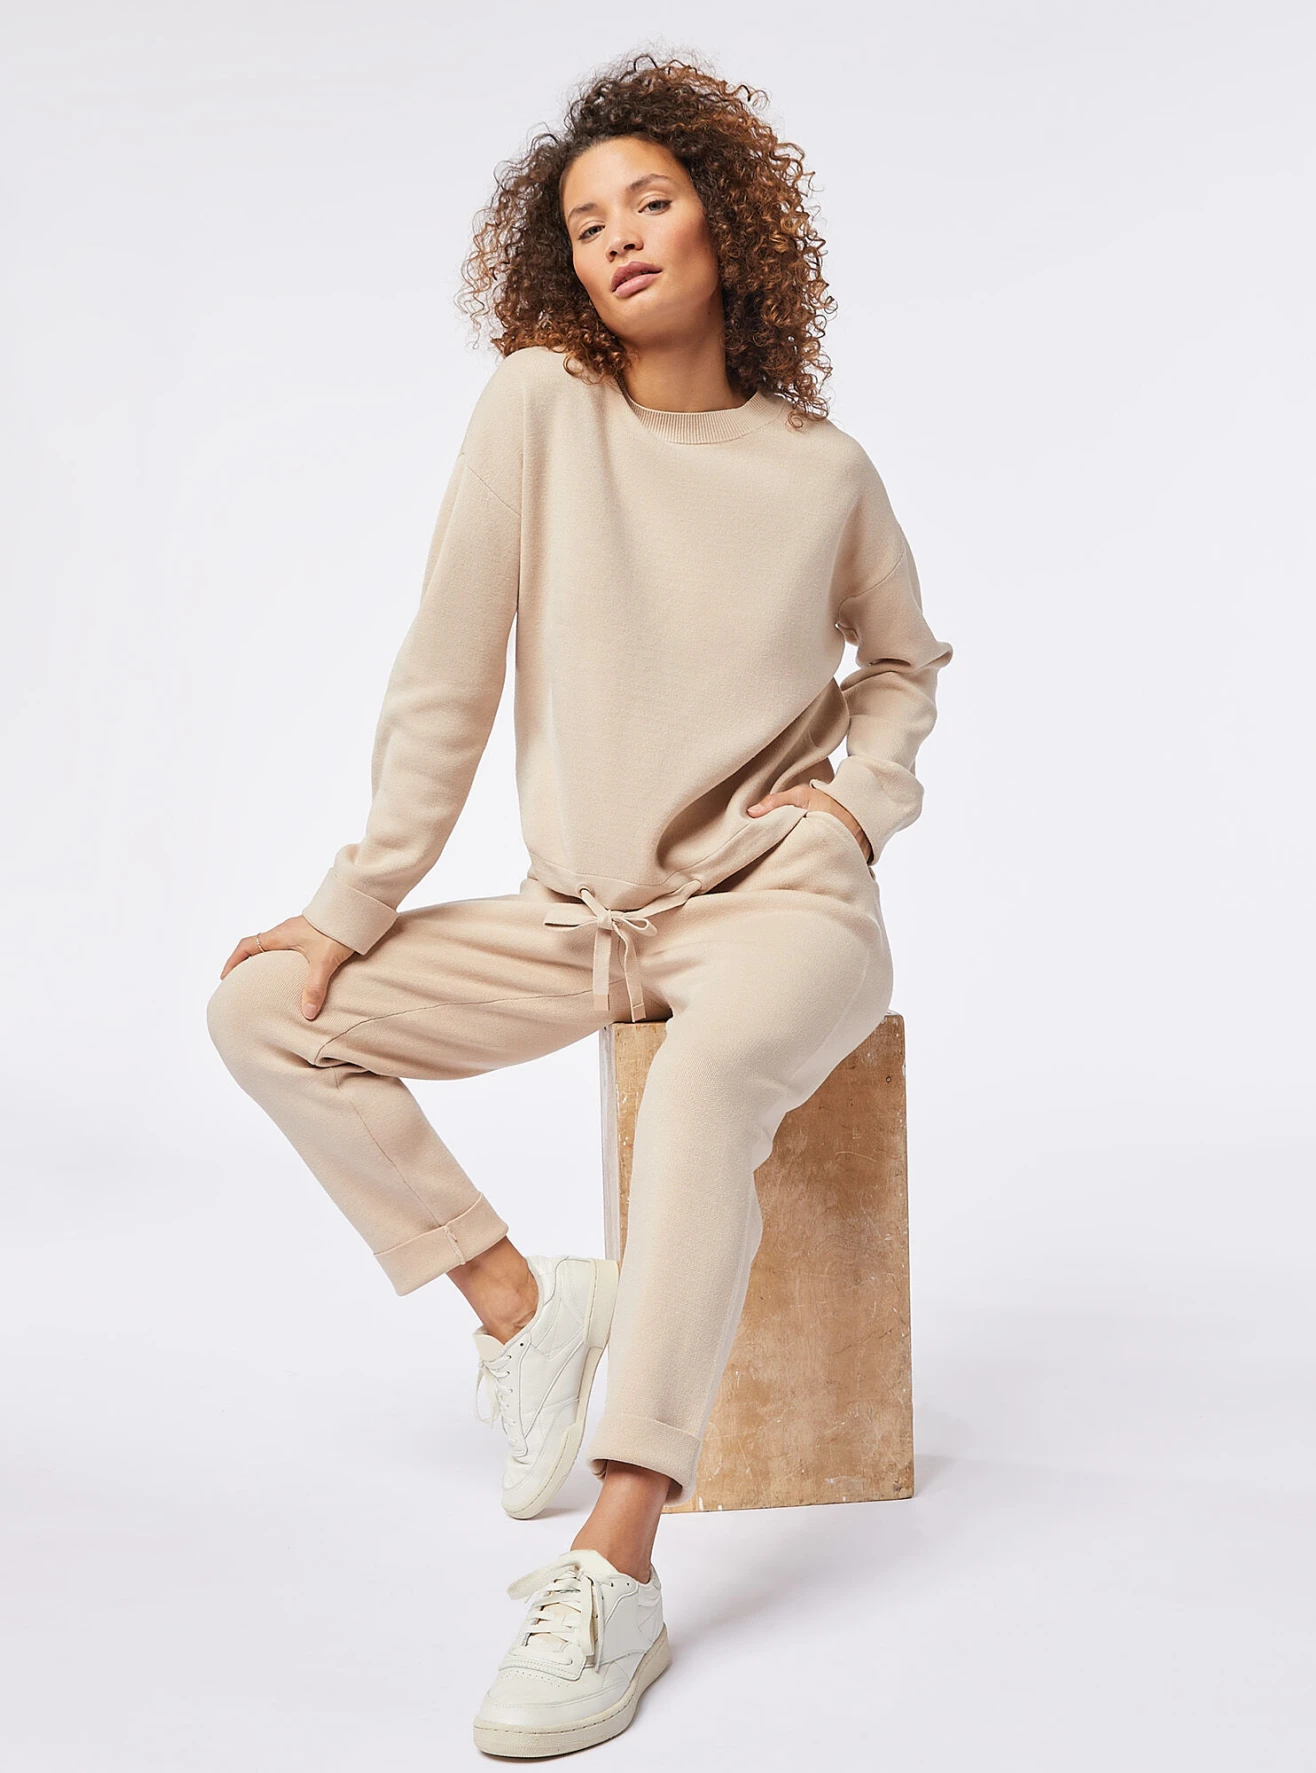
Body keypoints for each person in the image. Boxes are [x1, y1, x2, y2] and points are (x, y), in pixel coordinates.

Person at [206, 50, 953, 1758]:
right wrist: (350, 905)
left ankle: (618, 1564)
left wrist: (857, 802)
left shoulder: (821, 469)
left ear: (725, 225)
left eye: (651, 200)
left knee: (700, 1091)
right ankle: (526, 1311)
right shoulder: (541, 409)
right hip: (580, 918)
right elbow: (445, 677)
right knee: (262, 1011)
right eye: (585, 219)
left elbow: (905, 665)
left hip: (780, 912)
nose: (617, 234)